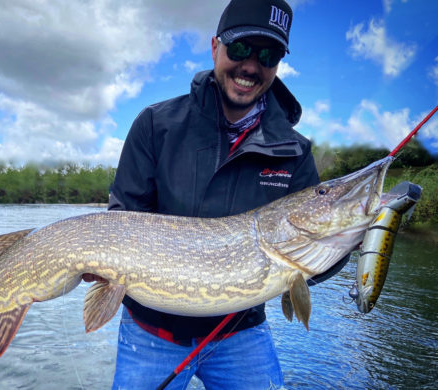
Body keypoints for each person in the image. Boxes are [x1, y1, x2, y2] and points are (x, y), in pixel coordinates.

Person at [84, 0, 347, 388]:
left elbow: (311, 265)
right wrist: (102, 265)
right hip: (150, 333)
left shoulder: (295, 152)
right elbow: (123, 216)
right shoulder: (156, 125)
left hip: (241, 333)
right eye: (240, 48)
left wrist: (359, 236)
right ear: (214, 47)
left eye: (268, 54)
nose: (251, 66)